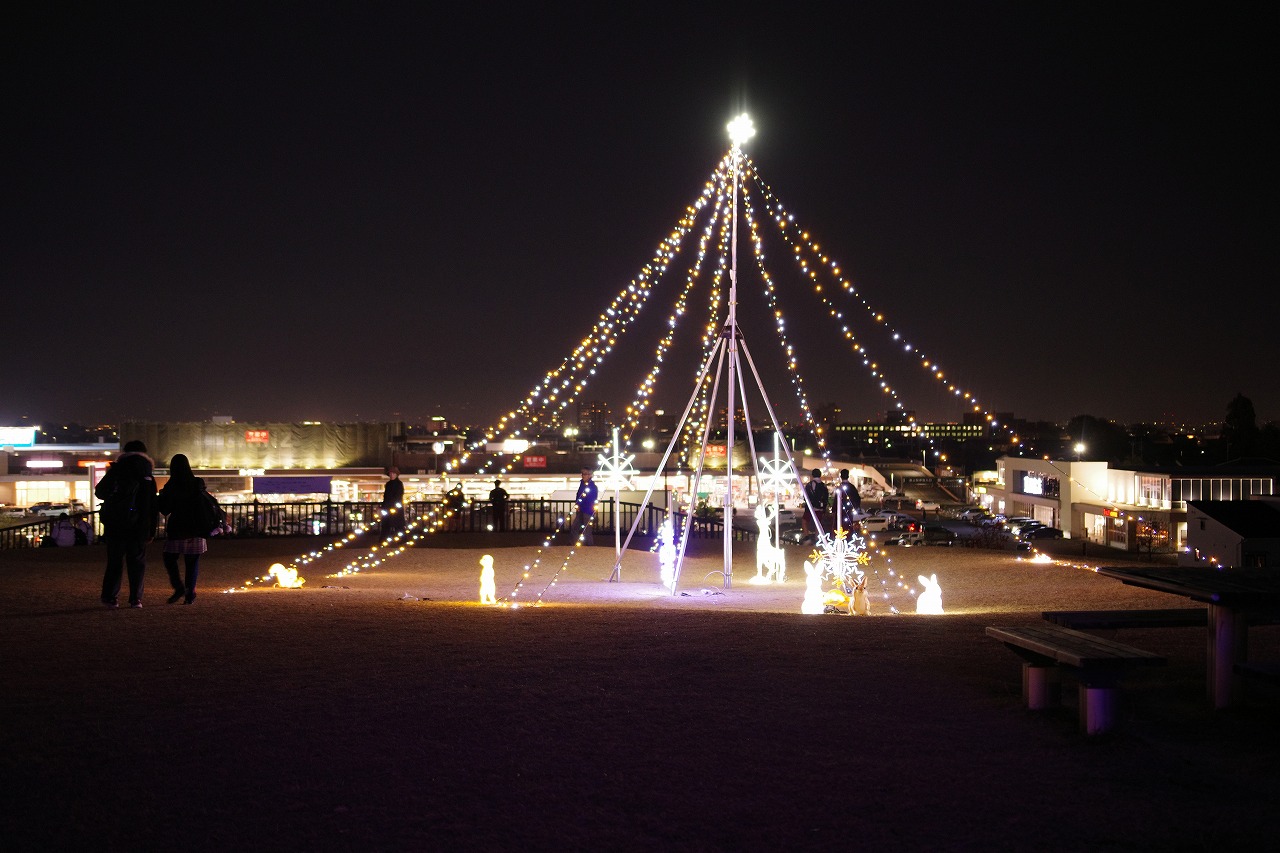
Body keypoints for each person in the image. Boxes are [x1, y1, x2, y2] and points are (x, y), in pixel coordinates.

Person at [95, 439, 158, 608]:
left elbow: (100, 492)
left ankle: (110, 597)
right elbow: (152, 505)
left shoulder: (116, 470)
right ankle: (135, 599)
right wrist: (151, 530)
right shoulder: (147, 475)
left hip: (115, 523)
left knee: (115, 561)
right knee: (137, 562)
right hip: (139, 525)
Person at [157, 453, 216, 605]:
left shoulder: (171, 485)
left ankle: (178, 587)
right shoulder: (197, 483)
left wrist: (161, 497)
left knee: (169, 558)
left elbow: (165, 509)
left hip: (177, 527)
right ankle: (190, 592)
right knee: (192, 561)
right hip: (196, 528)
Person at [573, 467, 598, 545]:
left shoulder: (592, 486)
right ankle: (574, 543)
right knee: (575, 527)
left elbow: (590, 499)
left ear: (590, 475)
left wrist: (579, 504)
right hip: (581, 509)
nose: (583, 476)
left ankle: (589, 545)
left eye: (585, 474)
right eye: (582, 474)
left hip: (587, 510)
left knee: (586, 530)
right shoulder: (582, 485)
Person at [380, 467, 406, 542]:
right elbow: (386, 496)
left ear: (396, 475)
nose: (391, 475)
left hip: (395, 507)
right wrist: (383, 506)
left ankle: (401, 540)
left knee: (398, 524)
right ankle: (383, 539)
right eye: (390, 473)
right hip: (389, 507)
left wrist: (393, 504)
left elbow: (399, 495)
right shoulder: (388, 484)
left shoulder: (399, 484)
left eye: (393, 473)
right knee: (386, 524)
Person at [802, 468, 829, 537]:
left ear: (812, 475)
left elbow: (805, 496)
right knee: (818, 524)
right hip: (820, 508)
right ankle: (817, 538)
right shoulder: (824, 485)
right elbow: (826, 497)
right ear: (820, 475)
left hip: (811, 508)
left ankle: (806, 537)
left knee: (804, 521)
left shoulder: (810, 485)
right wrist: (824, 507)